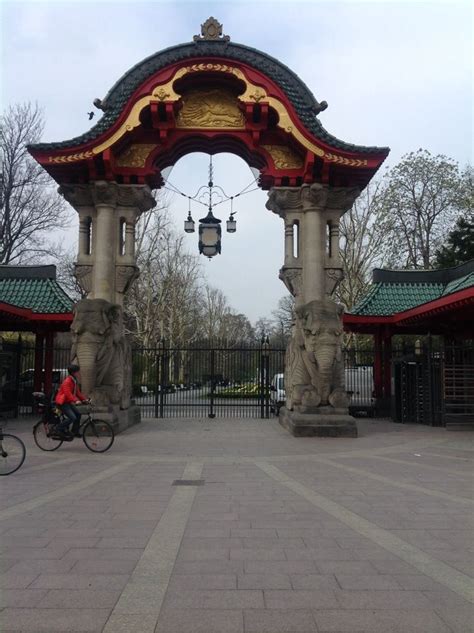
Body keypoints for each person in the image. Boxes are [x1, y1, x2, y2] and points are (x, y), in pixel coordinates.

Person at [54, 365, 89, 438]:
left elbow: (78, 393)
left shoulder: (74, 381)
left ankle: (74, 431)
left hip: (67, 402)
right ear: (73, 373)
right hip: (62, 403)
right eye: (78, 372)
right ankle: (58, 429)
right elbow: (68, 394)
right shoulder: (67, 381)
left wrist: (84, 400)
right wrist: (76, 400)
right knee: (72, 417)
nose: (79, 373)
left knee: (78, 414)